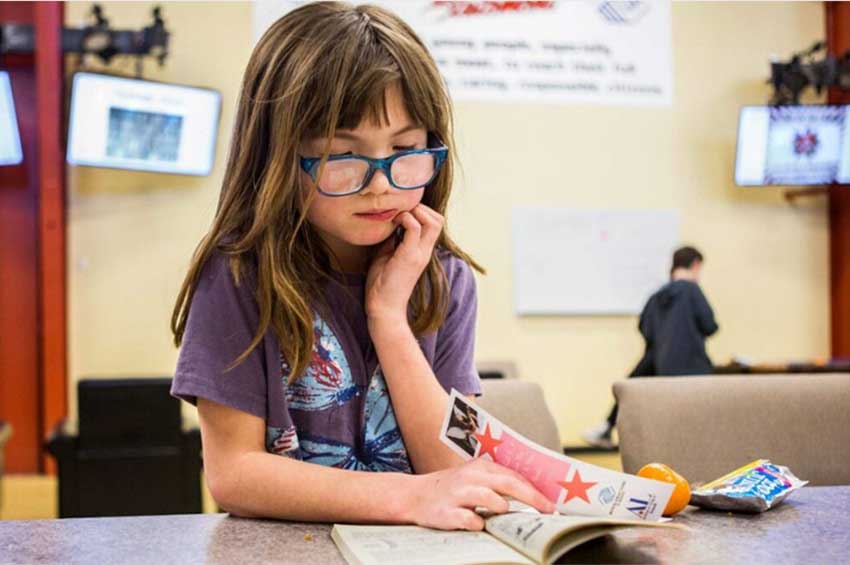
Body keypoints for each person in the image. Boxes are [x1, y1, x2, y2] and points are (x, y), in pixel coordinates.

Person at [169, 2, 554, 531]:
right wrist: (411, 498)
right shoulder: (239, 274)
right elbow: (234, 474)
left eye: (405, 148)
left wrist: (389, 318)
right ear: (277, 157)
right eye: (342, 154)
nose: (379, 184)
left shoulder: (445, 278)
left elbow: (450, 466)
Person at [582, 246, 719, 448]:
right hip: (693, 372)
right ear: (696, 265)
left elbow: (644, 328)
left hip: (660, 369)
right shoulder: (692, 290)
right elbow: (710, 326)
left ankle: (607, 425)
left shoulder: (656, 297)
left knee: (636, 377)